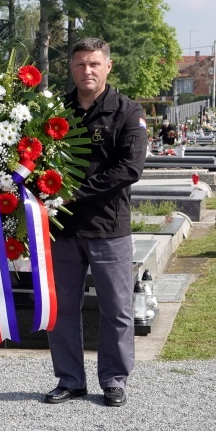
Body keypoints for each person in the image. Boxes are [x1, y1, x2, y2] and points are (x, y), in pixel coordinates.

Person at [44, 38, 147, 408]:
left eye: (94, 64)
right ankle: (70, 380)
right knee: (62, 309)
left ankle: (114, 380)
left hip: (108, 228)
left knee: (116, 309)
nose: (87, 71)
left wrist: (75, 192)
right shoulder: (56, 110)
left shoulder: (126, 111)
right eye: (80, 64)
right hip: (63, 228)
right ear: (71, 68)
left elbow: (129, 169)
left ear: (108, 65)